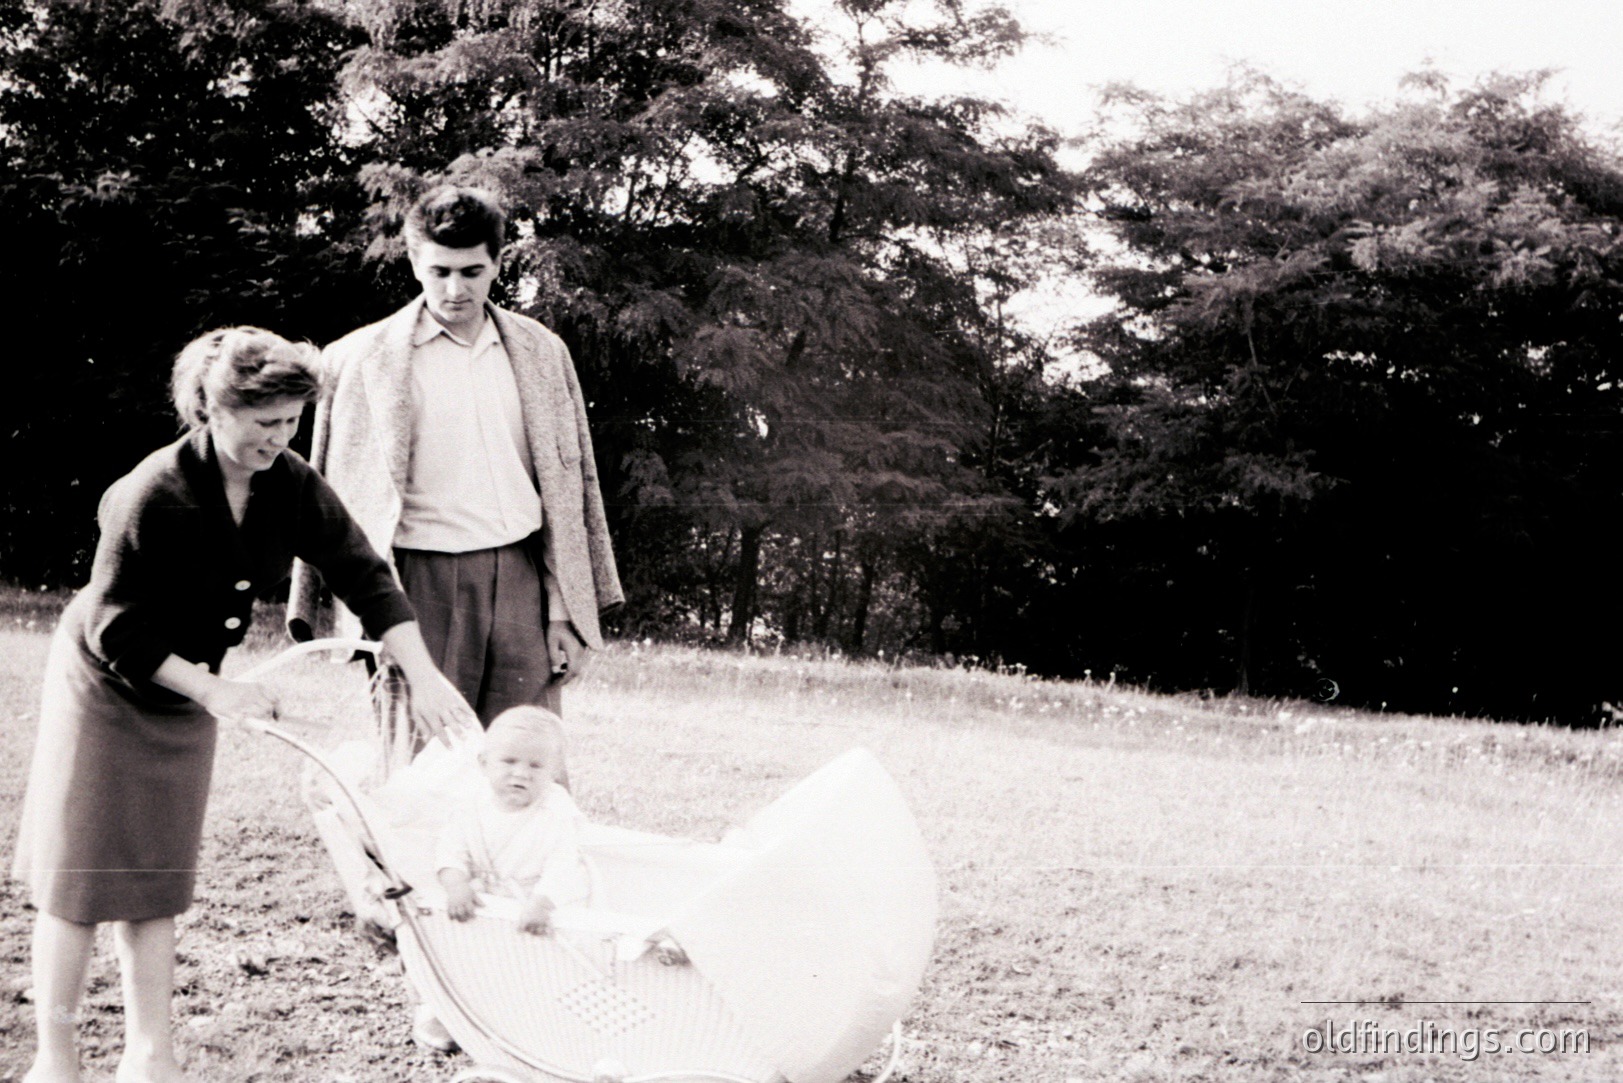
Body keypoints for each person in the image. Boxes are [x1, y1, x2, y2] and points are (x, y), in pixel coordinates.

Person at [10, 327, 479, 1083]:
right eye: (264, 423)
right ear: (212, 409)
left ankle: (149, 1054)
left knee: (155, 881)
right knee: (79, 883)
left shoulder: (288, 481)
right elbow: (112, 624)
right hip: (107, 685)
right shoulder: (151, 492)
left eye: (291, 422)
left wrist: (422, 673)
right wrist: (212, 688)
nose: (279, 438)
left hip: (190, 689)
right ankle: (54, 1058)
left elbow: (363, 572)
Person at [288, 184, 623, 757]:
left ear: (497, 263)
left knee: (524, 766)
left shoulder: (542, 352)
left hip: (521, 576)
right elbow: (325, 498)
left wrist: (564, 610)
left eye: (471, 271)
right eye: (439, 270)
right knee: (423, 769)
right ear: (414, 260)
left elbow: (574, 491)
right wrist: (347, 608)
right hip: (414, 586)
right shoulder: (357, 359)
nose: (454, 288)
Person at [435, 705, 589, 933]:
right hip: (484, 900)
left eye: (536, 766)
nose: (521, 773)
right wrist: (456, 885)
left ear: (554, 772)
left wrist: (542, 903)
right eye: (509, 761)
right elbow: (450, 850)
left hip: (540, 901)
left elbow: (564, 865)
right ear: (484, 763)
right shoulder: (469, 803)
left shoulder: (556, 810)